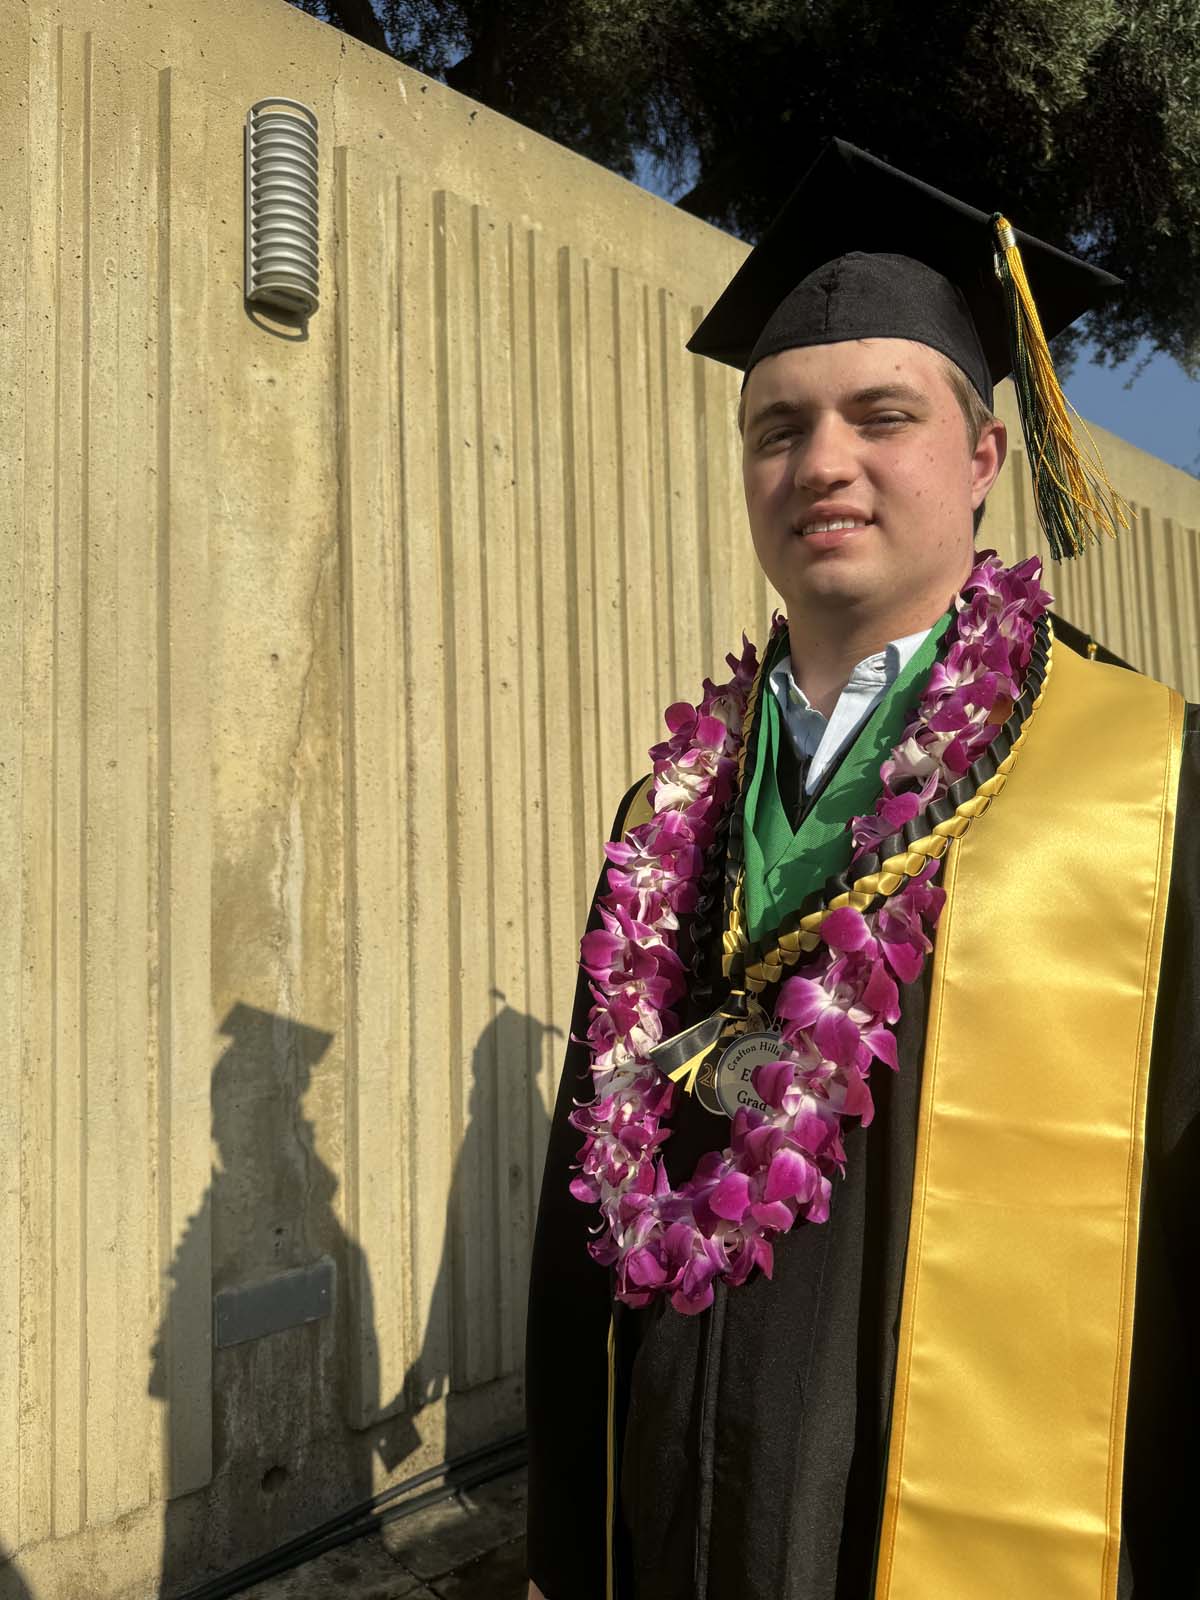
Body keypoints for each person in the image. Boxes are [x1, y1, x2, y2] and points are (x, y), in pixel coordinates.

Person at [524, 139, 1199, 1600]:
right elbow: (579, 1209)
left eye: (880, 416)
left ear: (982, 458)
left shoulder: (1144, 789)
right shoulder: (670, 813)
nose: (820, 462)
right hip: (673, 1519)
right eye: (778, 428)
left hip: (950, 1523)